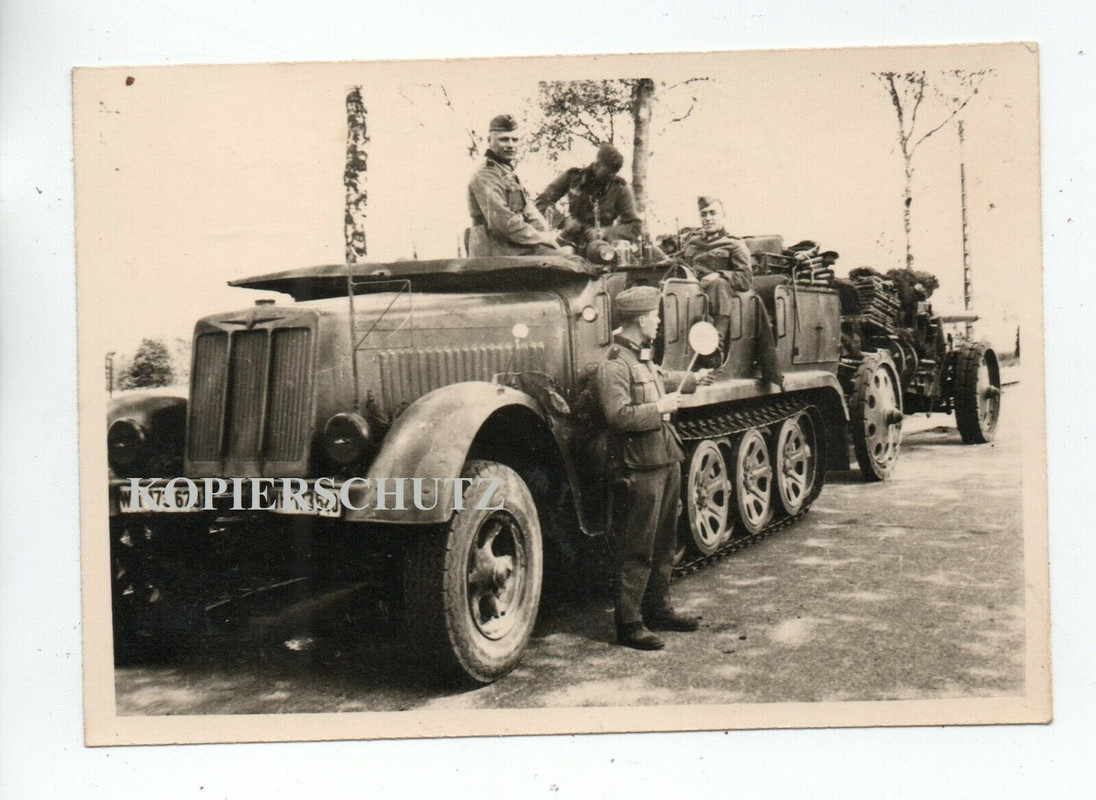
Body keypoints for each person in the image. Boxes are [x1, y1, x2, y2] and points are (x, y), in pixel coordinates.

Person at [596, 286, 709, 650]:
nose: (659, 323)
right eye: (655, 317)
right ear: (640, 319)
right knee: (637, 545)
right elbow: (618, 415)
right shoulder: (615, 363)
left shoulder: (640, 358)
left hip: (664, 459)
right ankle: (629, 623)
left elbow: (659, 377)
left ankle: (658, 608)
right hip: (639, 467)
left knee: (664, 542)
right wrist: (659, 408)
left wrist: (692, 380)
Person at [681, 196, 782, 387]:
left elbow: (745, 279)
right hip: (691, 294)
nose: (708, 218)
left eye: (713, 213)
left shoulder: (734, 244)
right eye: (704, 214)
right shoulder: (692, 242)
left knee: (718, 284)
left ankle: (713, 349)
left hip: (718, 296)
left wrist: (720, 274)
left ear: (723, 216)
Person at [466, 114, 561, 257]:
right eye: (504, 139)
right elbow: (504, 224)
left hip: (514, 246)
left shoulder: (507, 172)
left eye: (515, 140)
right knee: (566, 263)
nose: (510, 145)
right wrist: (542, 238)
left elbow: (529, 213)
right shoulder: (486, 174)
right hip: (494, 250)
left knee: (570, 258)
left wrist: (551, 238)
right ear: (489, 140)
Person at [534, 143, 642, 248]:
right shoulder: (573, 178)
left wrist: (605, 232)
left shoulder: (620, 189)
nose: (611, 177)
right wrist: (564, 221)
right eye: (607, 174)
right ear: (597, 165)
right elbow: (541, 202)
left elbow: (635, 226)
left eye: (614, 173)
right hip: (570, 241)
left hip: (603, 247)